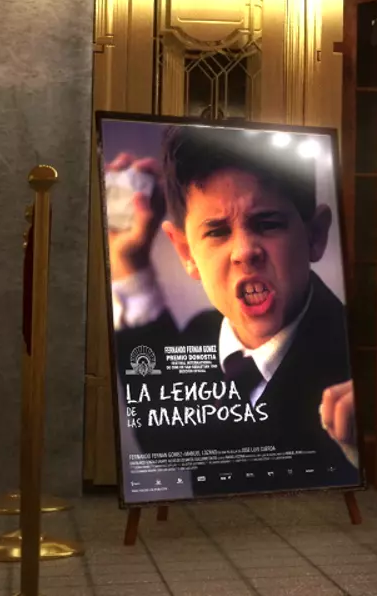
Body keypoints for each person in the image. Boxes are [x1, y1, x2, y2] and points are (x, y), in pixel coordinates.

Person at [107, 125, 358, 496]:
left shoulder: (357, 360)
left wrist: (361, 447)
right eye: (217, 232)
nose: (244, 251)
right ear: (186, 253)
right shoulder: (200, 334)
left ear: (315, 235)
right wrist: (129, 262)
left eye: (267, 223)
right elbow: (164, 440)